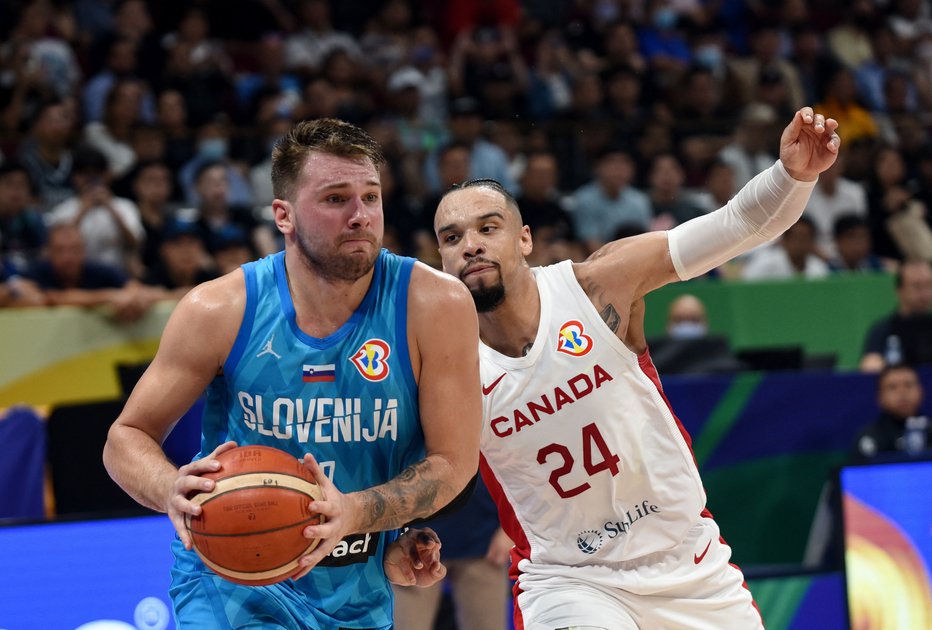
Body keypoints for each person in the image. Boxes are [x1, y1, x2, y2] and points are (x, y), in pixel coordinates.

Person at [433, 106, 839, 629]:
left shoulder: (599, 284)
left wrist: (795, 175)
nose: (471, 245)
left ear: (525, 239)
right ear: (440, 256)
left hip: (688, 566)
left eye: (488, 227)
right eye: (452, 237)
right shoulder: (445, 359)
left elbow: (735, 223)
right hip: (568, 580)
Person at [102, 118, 482, 629]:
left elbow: (453, 464)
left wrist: (366, 516)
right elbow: (125, 436)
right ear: (283, 214)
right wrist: (169, 487)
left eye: (371, 197)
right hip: (229, 583)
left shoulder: (435, 303)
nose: (360, 216)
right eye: (335, 199)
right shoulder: (219, 308)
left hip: (356, 586)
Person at [850, 363, 932, 463]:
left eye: (908, 385)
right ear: (880, 397)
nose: (902, 393)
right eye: (892, 387)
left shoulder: (929, 429)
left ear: (921, 391)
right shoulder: (870, 437)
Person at [860, 260, 932, 372]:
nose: (924, 293)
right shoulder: (883, 330)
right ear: (899, 290)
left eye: (928, 285)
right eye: (916, 286)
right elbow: (870, 366)